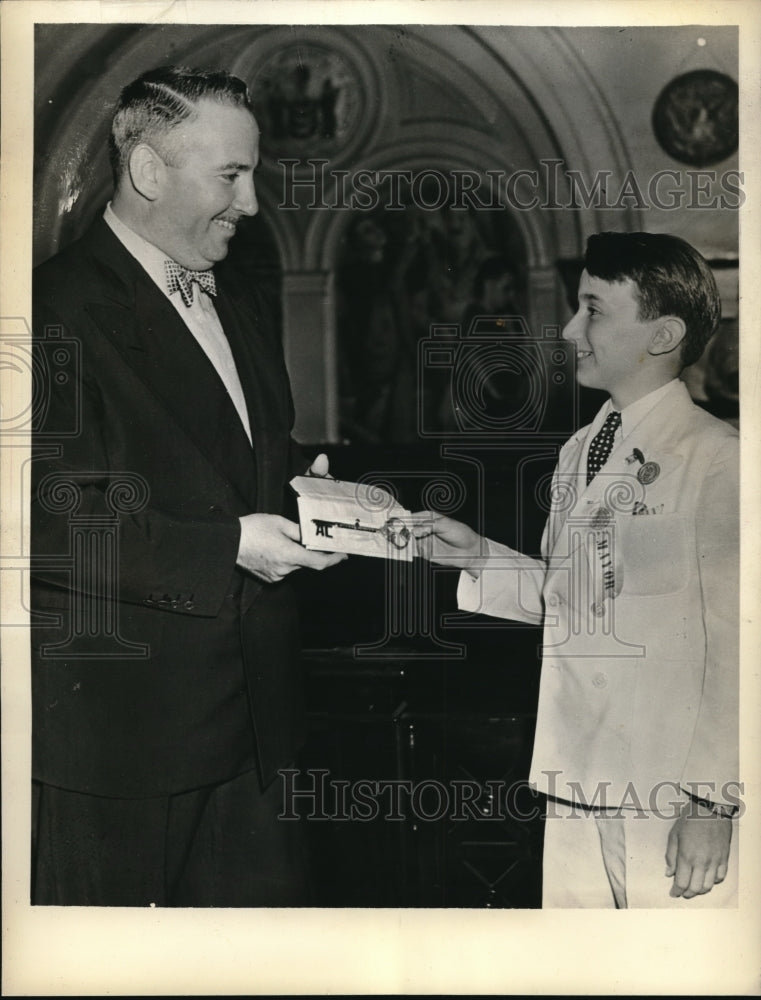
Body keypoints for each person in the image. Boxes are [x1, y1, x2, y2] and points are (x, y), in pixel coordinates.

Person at [30, 66, 346, 906]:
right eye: (231, 176)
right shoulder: (47, 311)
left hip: (258, 739)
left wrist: (320, 499)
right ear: (147, 172)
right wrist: (235, 543)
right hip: (126, 751)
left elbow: (227, 469)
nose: (250, 204)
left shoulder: (235, 303)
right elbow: (44, 519)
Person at [413, 232, 739, 908]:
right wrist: (471, 551)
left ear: (662, 334)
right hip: (576, 770)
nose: (567, 330)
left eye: (592, 309)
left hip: (669, 787)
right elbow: (576, 600)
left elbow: (742, 641)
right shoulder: (577, 452)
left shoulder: (719, 458)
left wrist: (713, 797)